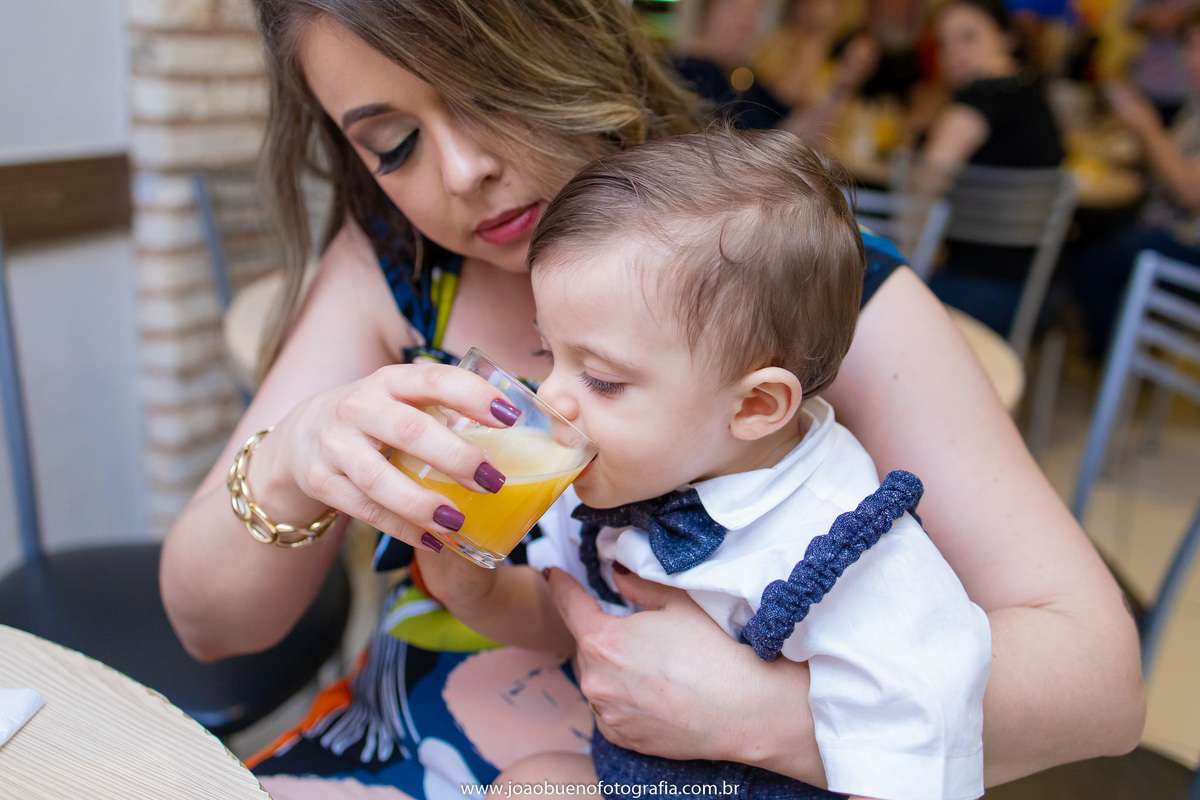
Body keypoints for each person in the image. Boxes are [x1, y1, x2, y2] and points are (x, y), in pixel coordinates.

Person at [158, 1, 1143, 798]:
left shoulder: (802, 297)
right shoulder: (398, 266)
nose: (462, 172)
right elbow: (210, 626)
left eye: (484, 88)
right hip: (414, 729)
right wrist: (296, 457)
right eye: (395, 144)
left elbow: (1100, 685)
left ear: (575, 32)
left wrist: (761, 713)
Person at [414, 127, 991, 800]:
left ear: (755, 406)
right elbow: (583, 628)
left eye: (600, 378)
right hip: (648, 778)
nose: (551, 398)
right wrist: (470, 589)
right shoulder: (633, 475)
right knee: (528, 786)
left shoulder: (852, 556)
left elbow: (924, 745)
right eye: (548, 356)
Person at [914, 0, 1066, 336]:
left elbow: (925, 183)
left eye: (968, 37)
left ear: (1006, 38)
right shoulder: (1032, 94)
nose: (954, 52)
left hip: (977, 287)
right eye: (945, 43)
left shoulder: (982, 95)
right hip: (1037, 288)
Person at [1072, 7, 1200, 356]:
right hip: (1171, 229)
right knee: (1089, 233)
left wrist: (1146, 127)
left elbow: (1187, 192)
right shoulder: (1194, 106)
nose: (1190, 58)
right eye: (1188, 47)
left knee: (1090, 266)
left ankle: (1120, 358)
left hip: (1189, 246)